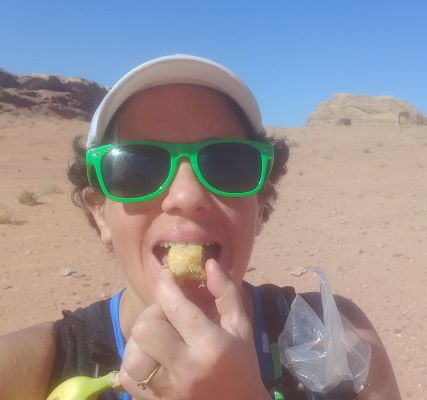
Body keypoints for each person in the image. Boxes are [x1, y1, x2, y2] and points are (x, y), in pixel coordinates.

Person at [0, 55, 401, 400]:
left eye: (227, 164)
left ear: (261, 207)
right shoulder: (32, 368)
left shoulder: (337, 337)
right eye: (137, 167)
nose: (187, 196)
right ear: (100, 214)